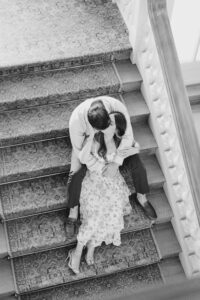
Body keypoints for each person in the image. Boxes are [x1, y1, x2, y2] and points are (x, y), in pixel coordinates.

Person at [65, 96, 157, 236]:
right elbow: (79, 152)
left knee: (138, 165)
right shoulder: (76, 122)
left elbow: (127, 136)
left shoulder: (116, 107)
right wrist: (99, 168)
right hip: (86, 147)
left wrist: (116, 162)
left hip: (113, 144)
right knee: (75, 174)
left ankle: (142, 197)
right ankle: (73, 211)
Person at [66, 112, 134, 274]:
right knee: (96, 214)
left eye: (109, 123)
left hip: (112, 183)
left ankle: (92, 246)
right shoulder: (96, 138)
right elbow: (82, 156)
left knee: (111, 212)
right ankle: (77, 250)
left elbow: (132, 149)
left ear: (117, 130)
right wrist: (90, 140)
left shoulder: (119, 141)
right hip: (94, 181)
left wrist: (118, 161)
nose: (105, 124)